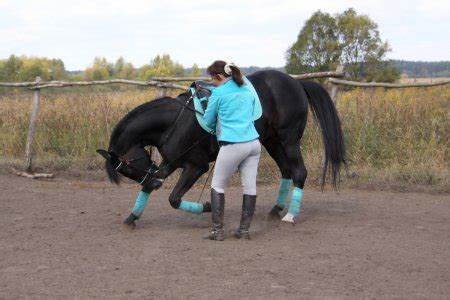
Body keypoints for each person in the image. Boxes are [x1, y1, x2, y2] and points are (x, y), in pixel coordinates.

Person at [202, 60, 262, 241]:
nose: (211, 82)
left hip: (233, 144)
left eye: (212, 78)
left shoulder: (218, 93)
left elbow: (207, 121)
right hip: (253, 143)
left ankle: (217, 231)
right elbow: (253, 113)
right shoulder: (246, 89)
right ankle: (243, 231)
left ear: (219, 76)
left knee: (217, 185)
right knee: (249, 186)